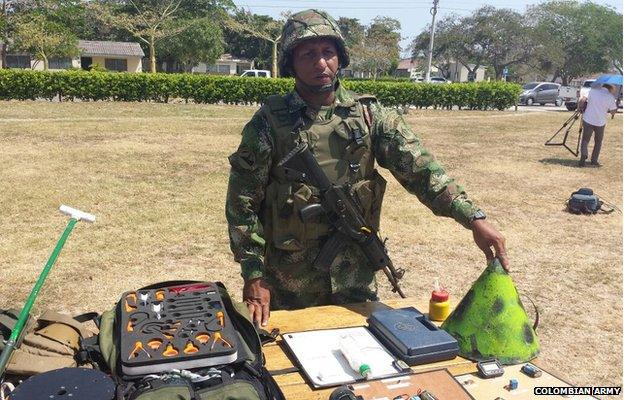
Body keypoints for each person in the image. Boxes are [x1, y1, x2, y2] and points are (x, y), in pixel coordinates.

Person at [225, 9, 509, 327]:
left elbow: (423, 171)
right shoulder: (268, 125)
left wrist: (473, 218)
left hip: (355, 282)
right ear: (291, 62)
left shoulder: (371, 117)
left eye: (327, 52)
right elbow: (241, 205)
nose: (321, 63)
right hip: (289, 287)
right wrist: (253, 274)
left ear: (340, 57)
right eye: (308, 54)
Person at [579, 83, 618, 167]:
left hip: (588, 119)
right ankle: (594, 160)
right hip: (600, 122)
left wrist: (580, 108)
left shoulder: (592, 91)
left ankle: (584, 155)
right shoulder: (610, 97)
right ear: (610, 88)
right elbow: (613, 111)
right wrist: (615, 106)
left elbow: (582, 100)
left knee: (585, 140)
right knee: (598, 142)